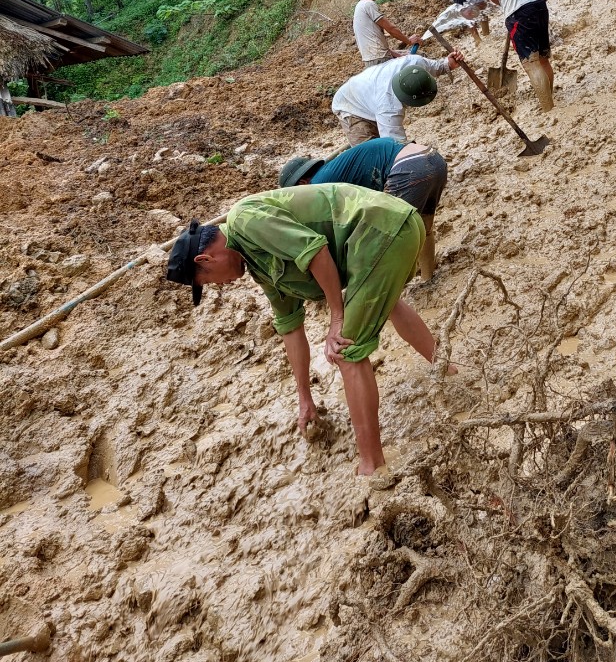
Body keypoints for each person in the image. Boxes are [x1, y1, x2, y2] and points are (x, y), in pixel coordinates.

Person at [166, 185, 445, 475]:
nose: (219, 286)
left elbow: (315, 251)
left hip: (382, 231)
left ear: (205, 260)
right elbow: (290, 327)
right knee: (390, 305)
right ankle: (449, 371)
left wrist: (337, 318)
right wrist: (304, 397)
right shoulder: (256, 262)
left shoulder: (244, 220)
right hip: (393, 229)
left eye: (209, 282)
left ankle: (371, 467)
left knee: (346, 348)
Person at [279, 139, 447, 280]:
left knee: (389, 240)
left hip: (409, 168)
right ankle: (428, 279)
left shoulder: (317, 186)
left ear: (301, 184)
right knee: (424, 230)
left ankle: (389, 296)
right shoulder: (334, 170)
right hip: (432, 159)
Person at [331, 51, 462, 146]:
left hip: (369, 94)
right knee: (370, 153)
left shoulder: (415, 63)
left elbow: (434, 67)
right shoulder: (388, 107)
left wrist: (448, 64)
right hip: (349, 106)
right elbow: (393, 146)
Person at [352, 0, 419, 67]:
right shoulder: (368, 4)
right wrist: (409, 41)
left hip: (372, 60)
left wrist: (398, 55)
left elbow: (376, 44)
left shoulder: (360, 6)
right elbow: (391, 29)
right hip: (380, 61)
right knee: (418, 62)